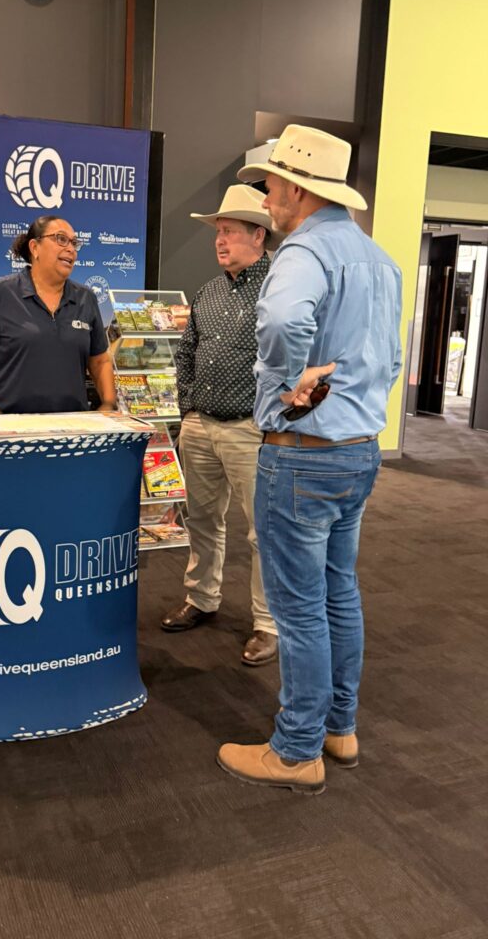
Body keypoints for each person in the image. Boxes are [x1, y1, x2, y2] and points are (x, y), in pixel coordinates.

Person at [215, 125, 402, 795]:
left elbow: (282, 322)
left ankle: (296, 751)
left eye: (270, 186)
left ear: (295, 187)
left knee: (298, 608)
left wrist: (293, 381)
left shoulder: (304, 254)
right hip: (358, 454)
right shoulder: (379, 259)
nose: (266, 198)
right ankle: (338, 728)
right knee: (338, 592)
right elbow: (393, 358)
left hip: (302, 456)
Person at [160, 185, 282, 667]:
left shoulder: (279, 288)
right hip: (201, 426)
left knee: (263, 533)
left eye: (230, 231)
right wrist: (188, 408)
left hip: (251, 429)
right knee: (203, 520)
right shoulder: (208, 292)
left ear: (258, 234)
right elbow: (186, 352)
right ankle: (202, 598)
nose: (220, 239)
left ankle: (268, 624)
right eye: (218, 231)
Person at [0, 216, 117, 414]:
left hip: (73, 429)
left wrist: (109, 405)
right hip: (12, 431)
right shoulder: (0, 293)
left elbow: (100, 362)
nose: (70, 249)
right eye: (61, 239)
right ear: (34, 248)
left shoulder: (86, 299)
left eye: (74, 243)